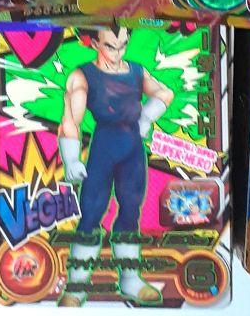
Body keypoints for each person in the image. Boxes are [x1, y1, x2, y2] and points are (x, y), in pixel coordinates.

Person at [57, 25, 173, 305]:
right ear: (95, 43)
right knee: (91, 214)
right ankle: (76, 287)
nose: (118, 53)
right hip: (103, 150)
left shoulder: (136, 70)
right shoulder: (82, 76)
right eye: (110, 46)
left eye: (123, 45)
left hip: (132, 150)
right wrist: (71, 158)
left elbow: (165, 93)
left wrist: (146, 117)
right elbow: (70, 119)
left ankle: (131, 281)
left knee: (131, 211)